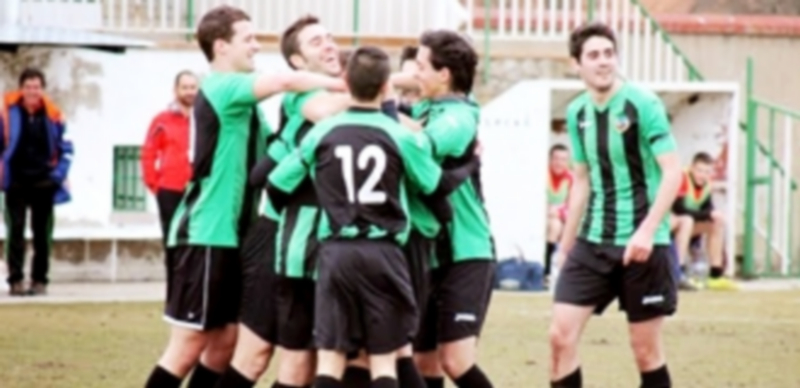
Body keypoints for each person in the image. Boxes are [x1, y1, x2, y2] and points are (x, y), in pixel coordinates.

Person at [143, 6, 345, 388]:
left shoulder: (247, 107)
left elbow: (265, 166)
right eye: (248, 39)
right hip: (206, 232)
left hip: (234, 237)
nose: (255, 46)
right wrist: (350, 86)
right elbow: (284, 81)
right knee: (188, 346)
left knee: (224, 343)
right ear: (221, 46)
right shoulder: (222, 87)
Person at [266, 45, 477, 388]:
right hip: (384, 254)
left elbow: (275, 185)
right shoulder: (400, 135)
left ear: (346, 83)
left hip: (335, 253)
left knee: (330, 361)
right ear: (385, 87)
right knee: (383, 360)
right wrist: (470, 164)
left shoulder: (323, 131)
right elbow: (435, 186)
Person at [549, 22, 683, 388]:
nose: (604, 61)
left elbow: (672, 172)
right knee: (560, 337)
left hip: (643, 246)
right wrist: (565, 246)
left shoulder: (644, 104)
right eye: (593, 55)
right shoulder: (577, 113)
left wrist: (647, 231)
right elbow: (581, 180)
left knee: (645, 351)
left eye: (609, 53)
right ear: (576, 64)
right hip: (592, 243)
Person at [409, 30, 496, 388]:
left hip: (466, 253)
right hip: (431, 253)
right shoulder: (428, 107)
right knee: (422, 361)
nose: (413, 73)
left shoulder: (457, 119)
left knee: (455, 360)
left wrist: (382, 113)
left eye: (420, 66)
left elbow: (417, 144)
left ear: (443, 74)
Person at [0, 67, 73, 297]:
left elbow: (67, 148)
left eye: (37, 87)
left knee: (42, 234)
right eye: (28, 87)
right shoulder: (7, 113)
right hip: (16, 180)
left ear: (42, 89)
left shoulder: (53, 116)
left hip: (44, 181)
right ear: (21, 89)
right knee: (15, 230)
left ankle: (40, 280)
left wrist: (57, 175)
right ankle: (16, 280)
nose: (33, 91)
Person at [141, 70, 198, 246]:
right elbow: (148, 152)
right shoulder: (162, 120)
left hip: (199, 189)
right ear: (175, 90)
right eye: (185, 87)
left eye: (193, 87)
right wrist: (155, 184)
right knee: (172, 240)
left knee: (196, 240)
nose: (189, 92)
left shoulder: (204, 119)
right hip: (170, 189)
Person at [671, 152, 737, 291]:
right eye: (699, 170)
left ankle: (715, 274)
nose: (702, 175)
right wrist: (708, 214)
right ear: (691, 168)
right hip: (669, 224)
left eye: (706, 171)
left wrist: (713, 214)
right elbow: (678, 209)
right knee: (687, 221)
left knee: (717, 222)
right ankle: (679, 272)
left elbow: (708, 208)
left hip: (686, 224)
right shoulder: (681, 178)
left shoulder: (707, 184)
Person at [544, 144, 572, 285]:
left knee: (557, 226)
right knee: (554, 226)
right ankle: (546, 270)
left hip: (561, 218)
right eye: (556, 158)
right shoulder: (543, 175)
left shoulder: (571, 178)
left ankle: (554, 271)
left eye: (563, 159)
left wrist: (558, 212)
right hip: (544, 217)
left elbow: (572, 205)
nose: (559, 163)